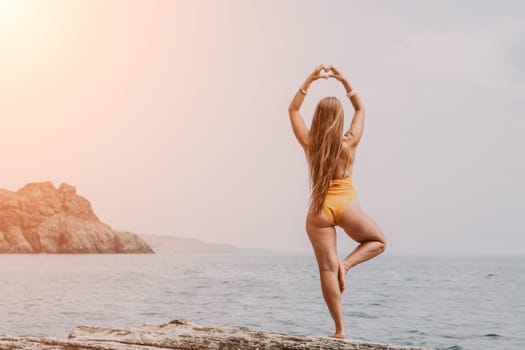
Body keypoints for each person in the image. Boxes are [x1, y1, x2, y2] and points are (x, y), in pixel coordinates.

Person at [288, 64, 387, 339]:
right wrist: (344, 81)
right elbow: (360, 109)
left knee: (325, 270)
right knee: (379, 241)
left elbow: (293, 110)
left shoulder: (310, 142)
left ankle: (340, 330)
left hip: (319, 212)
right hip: (346, 206)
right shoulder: (349, 142)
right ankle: (347, 264)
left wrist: (309, 79)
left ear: (318, 118)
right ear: (338, 119)